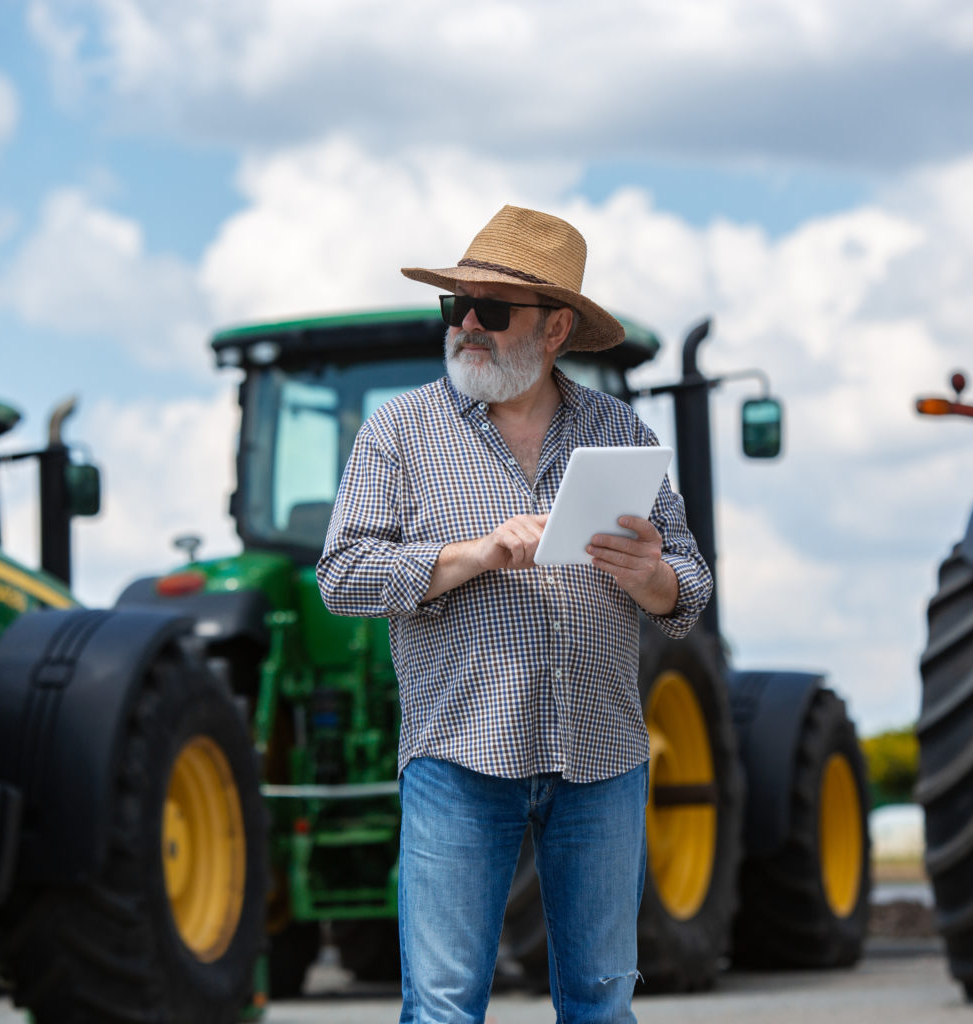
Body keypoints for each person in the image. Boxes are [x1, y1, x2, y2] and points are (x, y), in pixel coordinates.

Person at [317, 205, 712, 1024]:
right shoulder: (399, 432)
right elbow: (344, 577)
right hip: (459, 757)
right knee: (444, 1009)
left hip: (602, 758)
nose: (466, 324)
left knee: (602, 1008)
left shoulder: (620, 432)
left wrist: (653, 580)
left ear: (557, 327)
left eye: (490, 310)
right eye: (454, 307)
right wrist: (478, 553)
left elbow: (692, 588)